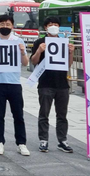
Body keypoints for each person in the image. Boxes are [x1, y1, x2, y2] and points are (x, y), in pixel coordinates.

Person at [0, 14, 30, 156]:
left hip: (15, 83)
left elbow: (25, 63)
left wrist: (23, 52)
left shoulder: (18, 40)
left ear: (12, 26)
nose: (5, 26)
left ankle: (21, 143)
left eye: (8, 24)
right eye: (2, 24)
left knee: (18, 114)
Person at [30, 16, 75, 153]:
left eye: (56, 24)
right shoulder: (39, 42)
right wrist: (39, 51)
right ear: (45, 27)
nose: (53, 26)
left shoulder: (63, 43)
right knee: (44, 113)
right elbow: (33, 61)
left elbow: (68, 64)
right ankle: (43, 140)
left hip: (62, 84)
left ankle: (62, 140)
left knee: (62, 114)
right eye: (50, 24)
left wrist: (71, 53)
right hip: (45, 83)